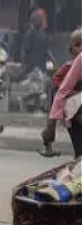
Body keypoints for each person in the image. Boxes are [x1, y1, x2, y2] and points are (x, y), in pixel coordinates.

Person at [42, 29, 83, 157]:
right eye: (77, 45)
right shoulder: (70, 66)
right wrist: (51, 124)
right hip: (73, 110)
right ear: (71, 50)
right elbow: (61, 90)